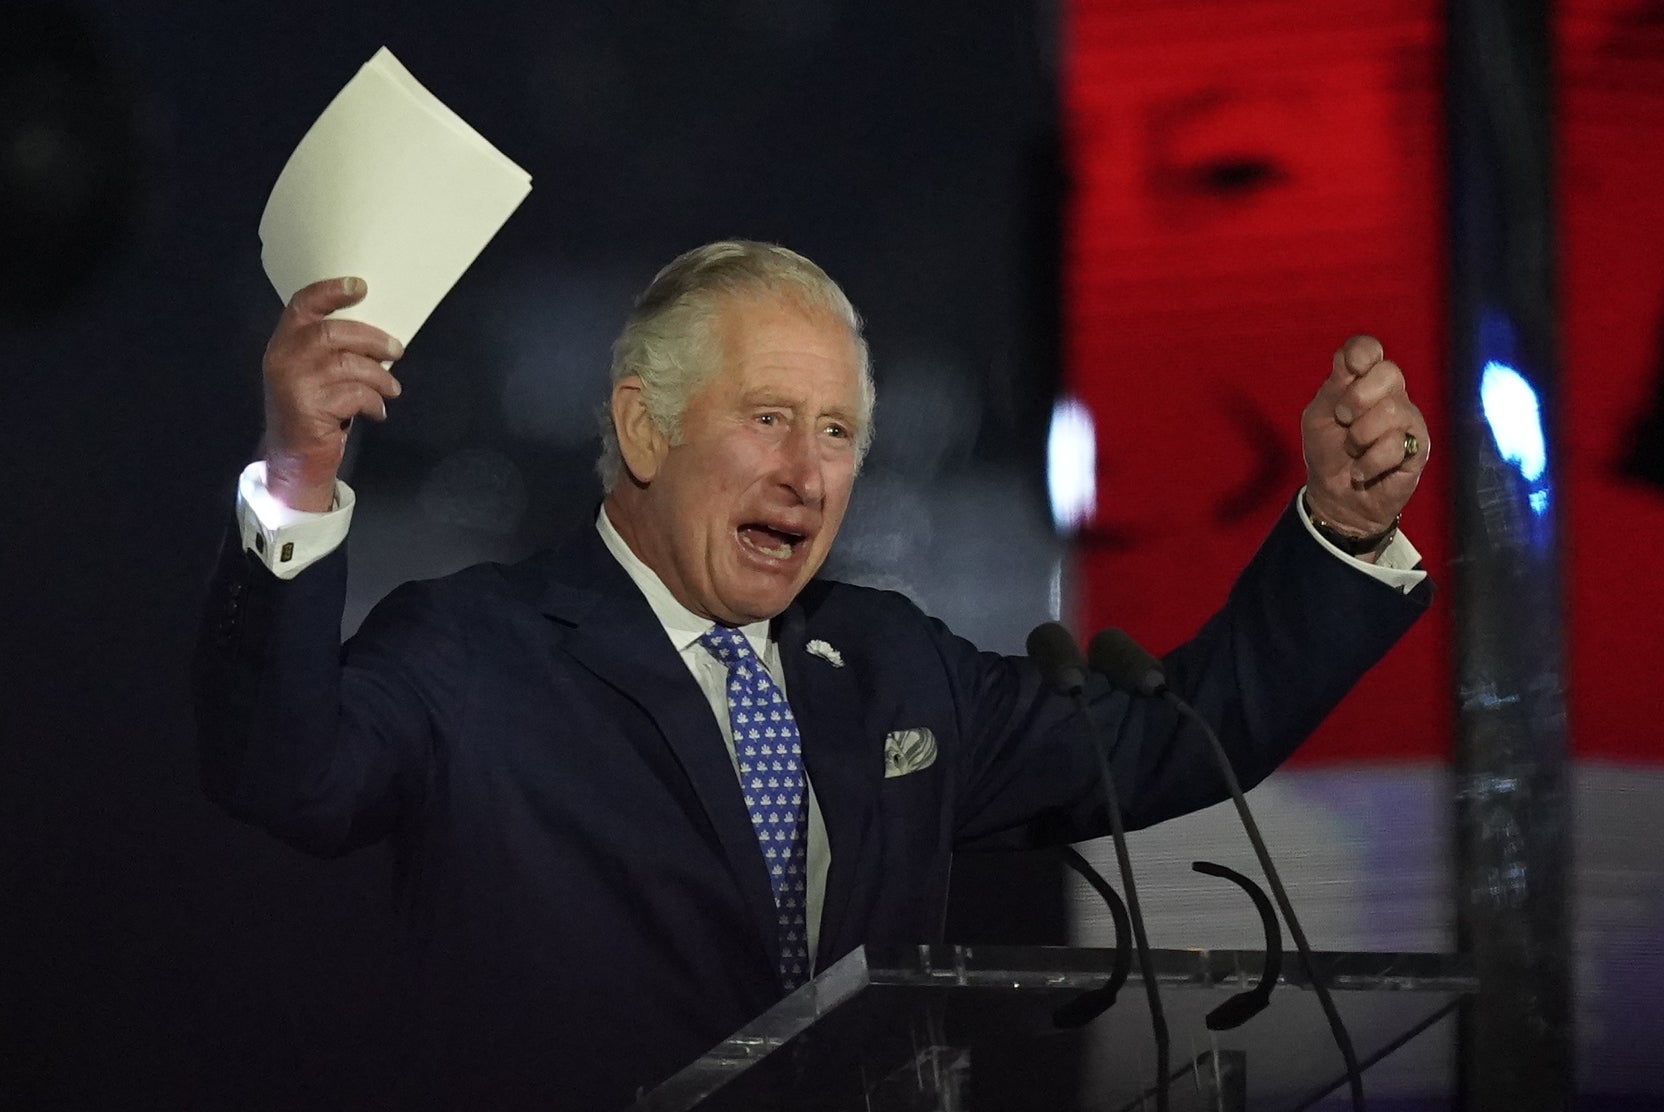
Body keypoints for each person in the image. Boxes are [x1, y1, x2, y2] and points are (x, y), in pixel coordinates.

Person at [195, 241, 1433, 1109]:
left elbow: (1179, 733)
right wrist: (296, 481)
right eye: (768, 417)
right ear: (642, 428)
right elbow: (282, 772)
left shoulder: (888, 666)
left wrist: (1338, 526)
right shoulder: (475, 654)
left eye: (837, 432)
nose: (808, 471)